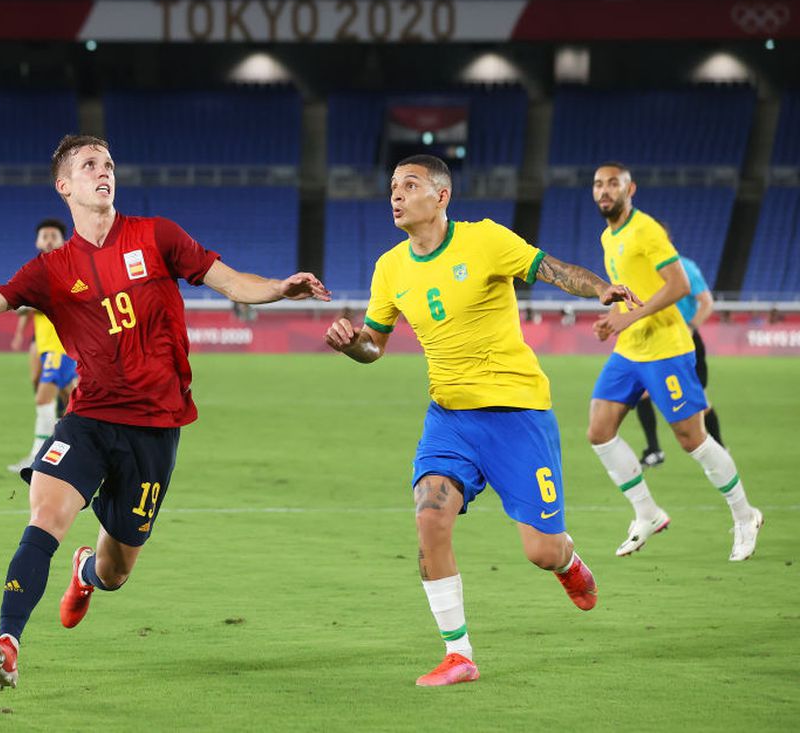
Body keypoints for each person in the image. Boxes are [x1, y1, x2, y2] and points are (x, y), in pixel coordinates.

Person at [0, 134, 330, 691]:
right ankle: (8, 643)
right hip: (89, 418)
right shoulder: (52, 268)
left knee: (117, 569)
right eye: (89, 165)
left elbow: (228, 280)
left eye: (108, 163)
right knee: (45, 516)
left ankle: (85, 574)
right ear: (65, 186)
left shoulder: (157, 235)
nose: (103, 172)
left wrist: (278, 287)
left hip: (156, 428)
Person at [325, 154, 637, 688]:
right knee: (429, 514)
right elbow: (375, 346)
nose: (395, 195)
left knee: (541, 550)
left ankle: (568, 563)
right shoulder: (389, 268)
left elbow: (552, 268)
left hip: (517, 414)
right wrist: (354, 345)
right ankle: (458, 654)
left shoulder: (485, 240)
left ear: (441, 196)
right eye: (393, 186)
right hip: (449, 418)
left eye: (410, 185)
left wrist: (599, 289)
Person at [587, 164, 761, 561]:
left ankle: (745, 515)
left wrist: (628, 318)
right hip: (629, 350)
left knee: (691, 439)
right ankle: (647, 512)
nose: (604, 191)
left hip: (666, 348)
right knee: (599, 431)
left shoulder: (646, 228)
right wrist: (613, 319)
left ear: (630, 188)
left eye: (612, 184)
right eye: (598, 184)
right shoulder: (607, 235)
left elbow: (679, 286)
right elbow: (632, 292)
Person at [635, 230, 724, 467]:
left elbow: (706, 301)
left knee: (700, 401)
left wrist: (691, 326)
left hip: (685, 342)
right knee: (641, 392)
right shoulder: (645, 271)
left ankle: (720, 449)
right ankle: (654, 450)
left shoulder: (685, 267)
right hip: (656, 341)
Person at [6, 218, 79, 473]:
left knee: (44, 397)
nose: (48, 240)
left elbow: (64, 298)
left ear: (63, 240)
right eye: (44, 236)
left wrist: (29, 303)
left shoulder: (68, 267)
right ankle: (79, 450)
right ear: (37, 241)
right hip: (48, 344)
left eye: (53, 236)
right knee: (74, 400)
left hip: (62, 344)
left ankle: (38, 457)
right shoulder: (37, 270)